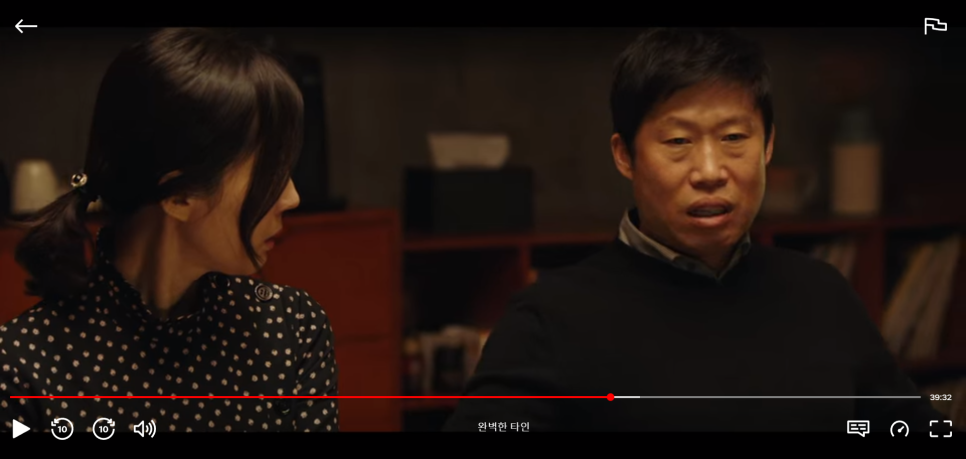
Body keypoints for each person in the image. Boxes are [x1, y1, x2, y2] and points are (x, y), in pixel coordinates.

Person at [444, 28, 948, 432]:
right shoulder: (550, 319)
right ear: (625, 155)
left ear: (767, 146)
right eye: (678, 141)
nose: (710, 171)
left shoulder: (821, 292)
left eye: (734, 137)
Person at [0, 28, 338, 433]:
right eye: (270, 171)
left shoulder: (290, 330)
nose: (291, 197)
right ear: (179, 197)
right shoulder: (23, 368)